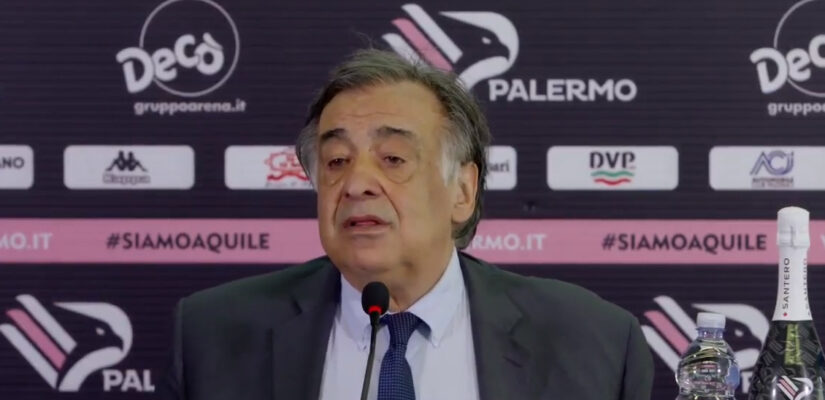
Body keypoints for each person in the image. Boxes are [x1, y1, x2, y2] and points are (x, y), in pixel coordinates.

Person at [158, 49, 653, 400]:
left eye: (393, 158)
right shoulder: (213, 335)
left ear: (462, 191)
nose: (356, 184)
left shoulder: (594, 341)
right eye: (336, 161)